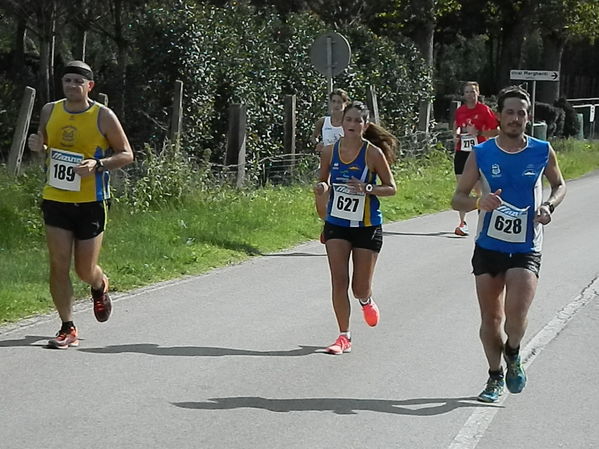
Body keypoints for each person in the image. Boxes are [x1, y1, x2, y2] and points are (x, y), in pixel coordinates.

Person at [451, 85, 566, 402]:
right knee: (491, 319)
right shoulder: (482, 153)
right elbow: (456, 197)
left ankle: (513, 351)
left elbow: (559, 185)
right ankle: (494, 377)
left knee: (515, 316)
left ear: (528, 117)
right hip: (489, 246)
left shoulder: (542, 150)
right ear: (499, 116)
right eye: (511, 112)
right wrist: (479, 202)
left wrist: (549, 206)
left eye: (522, 113)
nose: (516, 118)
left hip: (527, 246)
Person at [27, 60, 134, 349]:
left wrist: (98, 164)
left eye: (78, 81)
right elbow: (47, 152)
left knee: (84, 270)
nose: (72, 86)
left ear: (90, 86)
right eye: (68, 81)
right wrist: (39, 148)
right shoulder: (51, 110)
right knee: (58, 264)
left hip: (91, 202)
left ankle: (99, 285)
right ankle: (67, 326)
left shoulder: (103, 115)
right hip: (56, 198)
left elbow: (126, 154)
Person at [313, 101, 397, 355]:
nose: (351, 125)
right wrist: (321, 191)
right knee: (339, 281)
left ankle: (366, 299)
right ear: (342, 122)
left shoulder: (372, 154)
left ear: (365, 125)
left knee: (359, 287)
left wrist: (367, 188)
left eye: (357, 121)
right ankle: (343, 336)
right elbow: (323, 182)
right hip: (337, 224)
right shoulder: (329, 152)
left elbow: (391, 187)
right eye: (348, 120)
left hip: (367, 225)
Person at [453, 81, 499, 236]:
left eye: (473, 92)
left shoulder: (485, 110)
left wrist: (478, 133)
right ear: (463, 95)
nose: (470, 95)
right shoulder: (460, 111)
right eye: (467, 92)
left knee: (479, 188)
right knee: (461, 188)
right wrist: (457, 135)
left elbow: (496, 131)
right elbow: (456, 126)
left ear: (478, 93)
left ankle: (483, 219)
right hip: (462, 151)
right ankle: (462, 223)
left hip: (479, 152)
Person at [312, 89, 350, 221]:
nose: (336, 105)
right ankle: (325, 221)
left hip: (345, 163)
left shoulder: (349, 123)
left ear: (345, 104)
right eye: (333, 101)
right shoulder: (323, 121)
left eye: (339, 102)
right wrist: (318, 144)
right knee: (321, 190)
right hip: (326, 163)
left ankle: (343, 221)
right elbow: (313, 138)